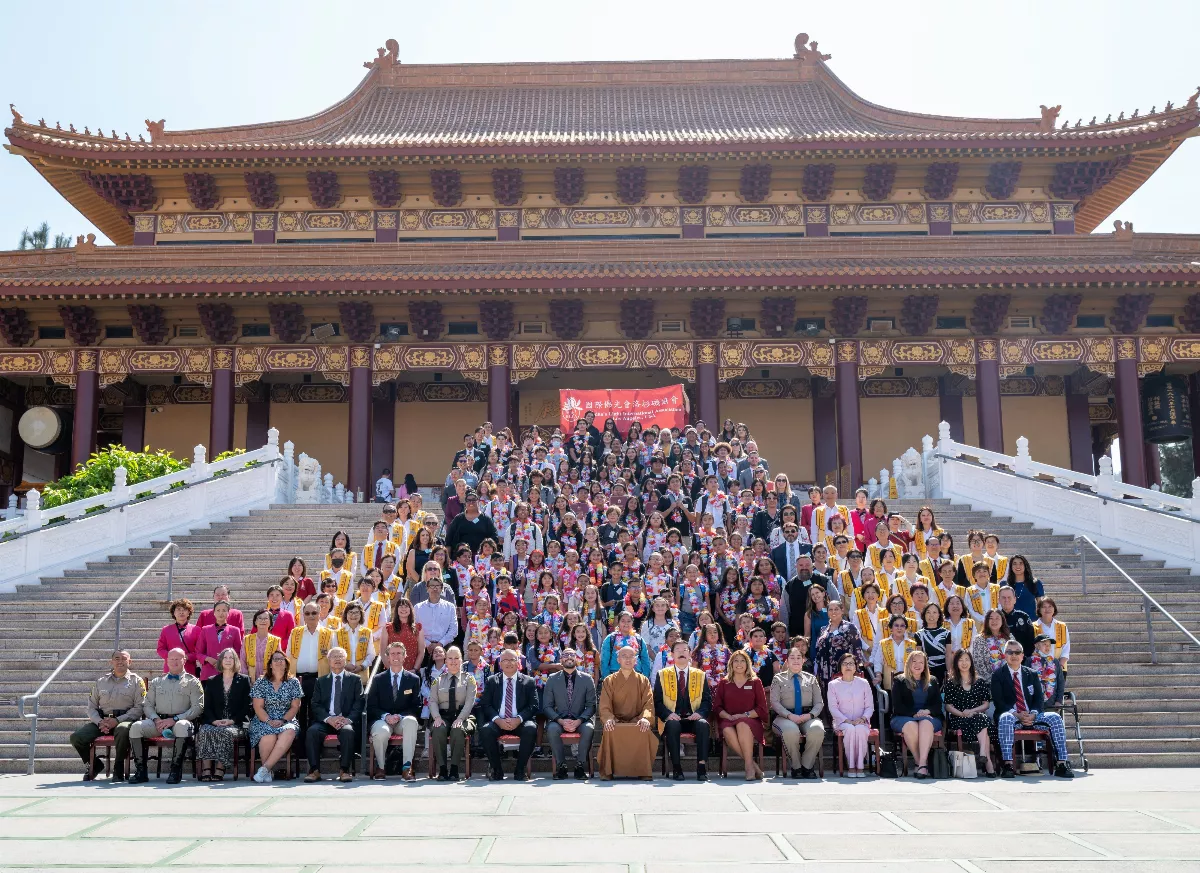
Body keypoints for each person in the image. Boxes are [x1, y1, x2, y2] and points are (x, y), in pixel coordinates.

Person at [991, 640, 1074, 778]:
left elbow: (1039, 700)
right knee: (1005, 718)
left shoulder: (1032, 674)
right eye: (1010, 652)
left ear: (1022, 655)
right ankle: (1008, 765)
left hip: (1033, 716)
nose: (1014, 655)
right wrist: (1017, 714)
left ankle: (1062, 763)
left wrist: (1034, 714)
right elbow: (999, 702)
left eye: (1017, 652)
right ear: (1004, 655)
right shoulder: (998, 675)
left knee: (1055, 718)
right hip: (1012, 716)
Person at [129, 647, 204, 784]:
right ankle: (141, 771)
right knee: (136, 727)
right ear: (167, 661)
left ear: (184, 660)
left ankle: (175, 771)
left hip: (181, 721)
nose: (174, 662)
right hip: (159, 722)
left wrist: (175, 719)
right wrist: (156, 719)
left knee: (182, 726)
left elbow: (198, 707)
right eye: (171, 659)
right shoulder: (158, 681)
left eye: (178, 659)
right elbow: (147, 704)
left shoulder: (193, 682)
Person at [69, 650, 145, 782]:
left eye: (124, 659)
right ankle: (94, 764)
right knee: (77, 737)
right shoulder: (101, 681)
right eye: (117, 658)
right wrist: (99, 722)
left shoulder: (137, 681)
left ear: (130, 662)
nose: (120, 661)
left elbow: (140, 707)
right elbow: (91, 707)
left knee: (122, 729)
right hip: (103, 721)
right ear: (111, 662)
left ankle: (118, 766)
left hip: (125, 720)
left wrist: (117, 720)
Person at [597, 645, 659, 780]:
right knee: (609, 729)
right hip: (616, 721)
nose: (628, 659)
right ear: (618, 660)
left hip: (637, 721)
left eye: (631, 656)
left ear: (636, 660)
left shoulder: (643, 680)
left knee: (643, 728)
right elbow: (604, 705)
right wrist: (608, 718)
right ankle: (608, 771)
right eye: (624, 656)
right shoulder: (609, 680)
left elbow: (648, 704)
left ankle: (643, 770)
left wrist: (645, 718)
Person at [654, 640, 712, 782]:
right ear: (672, 654)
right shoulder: (662, 674)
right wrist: (668, 714)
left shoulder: (700, 675)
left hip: (693, 718)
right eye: (678, 650)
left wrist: (699, 713)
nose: (681, 652)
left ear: (690, 654)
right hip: (673, 718)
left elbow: (707, 701)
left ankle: (701, 767)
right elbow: (657, 702)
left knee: (703, 724)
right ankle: (677, 768)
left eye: (685, 650)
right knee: (673, 725)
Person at [304, 647, 365, 782]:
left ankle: (344, 770)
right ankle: (314, 770)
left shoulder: (355, 679)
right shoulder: (321, 681)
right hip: (326, 721)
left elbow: (359, 702)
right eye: (334, 657)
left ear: (345, 660)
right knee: (312, 731)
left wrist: (348, 720)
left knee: (348, 732)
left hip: (345, 720)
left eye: (340, 656)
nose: (337, 659)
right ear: (329, 660)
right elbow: (315, 704)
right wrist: (329, 718)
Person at [479, 649, 540, 781]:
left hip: (520, 721)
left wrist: (518, 719)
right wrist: (498, 720)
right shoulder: (492, 681)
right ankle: (496, 770)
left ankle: (520, 770)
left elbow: (534, 706)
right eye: (505, 660)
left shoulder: (528, 681)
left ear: (518, 662)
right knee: (486, 730)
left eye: (512, 660)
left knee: (530, 728)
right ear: (500, 663)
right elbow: (485, 704)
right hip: (498, 722)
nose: (509, 663)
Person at [367, 642, 422, 780]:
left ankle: (407, 768)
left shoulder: (413, 679)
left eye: (399, 653)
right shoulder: (378, 679)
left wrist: (399, 716)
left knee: (411, 721)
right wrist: (386, 716)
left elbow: (416, 706)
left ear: (404, 656)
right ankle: (381, 767)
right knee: (381, 731)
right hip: (382, 719)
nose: (395, 656)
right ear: (387, 657)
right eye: (392, 653)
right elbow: (371, 706)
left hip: (402, 720)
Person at [769, 646, 826, 779]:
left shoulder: (811, 679)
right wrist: (789, 715)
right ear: (787, 661)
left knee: (817, 729)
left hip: (807, 716)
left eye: (798, 657)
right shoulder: (778, 678)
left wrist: (810, 715)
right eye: (792, 658)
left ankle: (807, 766)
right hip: (784, 717)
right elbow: (775, 702)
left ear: (803, 660)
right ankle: (796, 767)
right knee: (790, 731)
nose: (796, 660)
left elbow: (819, 703)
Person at [542, 647, 598, 780]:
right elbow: (547, 706)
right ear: (561, 659)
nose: (569, 657)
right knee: (552, 729)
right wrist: (560, 720)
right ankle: (561, 766)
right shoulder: (552, 679)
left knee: (589, 728)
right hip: (559, 720)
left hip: (581, 720)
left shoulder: (587, 679)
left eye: (572, 655)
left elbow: (591, 705)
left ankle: (580, 766)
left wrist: (579, 721)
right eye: (565, 655)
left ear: (576, 658)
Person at [197, 648, 251, 781]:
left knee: (225, 731)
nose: (228, 660)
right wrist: (213, 721)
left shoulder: (244, 680)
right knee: (204, 730)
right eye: (225, 658)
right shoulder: (212, 681)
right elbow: (207, 706)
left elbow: (247, 707)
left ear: (236, 661)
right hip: (215, 721)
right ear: (220, 661)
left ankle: (220, 768)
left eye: (231, 658)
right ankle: (206, 769)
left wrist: (232, 721)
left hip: (236, 723)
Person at [714, 649, 768, 781]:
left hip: (750, 719)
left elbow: (762, 708)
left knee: (742, 724)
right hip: (729, 719)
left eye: (742, 661)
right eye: (736, 661)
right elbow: (717, 707)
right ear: (731, 664)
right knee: (726, 730)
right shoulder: (724, 682)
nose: (739, 664)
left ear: (747, 663)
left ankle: (749, 768)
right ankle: (752, 765)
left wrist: (745, 715)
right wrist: (728, 716)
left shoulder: (755, 682)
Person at [249, 650, 303, 783]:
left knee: (290, 730)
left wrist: (283, 720)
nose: (279, 661)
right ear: (270, 664)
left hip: (286, 719)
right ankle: (267, 771)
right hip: (264, 719)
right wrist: (269, 720)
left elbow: (295, 706)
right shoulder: (261, 682)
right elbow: (258, 707)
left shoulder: (293, 682)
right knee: (268, 734)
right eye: (275, 659)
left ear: (286, 664)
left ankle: (265, 769)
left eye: (281, 659)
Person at [890, 649, 943, 779]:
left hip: (929, 717)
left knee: (925, 722)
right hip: (904, 717)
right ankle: (919, 762)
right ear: (909, 663)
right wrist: (914, 714)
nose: (917, 665)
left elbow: (938, 704)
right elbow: (898, 705)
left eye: (921, 662)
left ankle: (922, 763)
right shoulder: (899, 680)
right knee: (911, 725)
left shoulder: (933, 680)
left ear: (925, 665)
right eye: (914, 661)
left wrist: (927, 711)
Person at [943, 649, 997, 778]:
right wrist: (963, 714)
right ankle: (987, 761)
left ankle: (984, 755)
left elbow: (986, 704)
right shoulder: (951, 682)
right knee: (984, 724)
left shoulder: (980, 681)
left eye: (967, 659)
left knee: (981, 719)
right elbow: (948, 706)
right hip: (959, 719)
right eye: (961, 660)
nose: (964, 663)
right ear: (956, 663)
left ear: (971, 662)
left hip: (976, 716)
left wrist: (972, 711)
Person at [429, 645, 478, 781]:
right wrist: (437, 717)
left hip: (463, 716)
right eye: (450, 658)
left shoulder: (469, 679)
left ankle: (455, 769)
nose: (453, 661)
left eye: (456, 658)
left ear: (461, 660)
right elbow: (432, 701)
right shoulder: (438, 680)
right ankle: (443, 769)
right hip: (443, 716)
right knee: (438, 729)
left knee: (457, 730)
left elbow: (470, 702)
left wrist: (461, 718)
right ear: (446, 661)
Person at [285, 604, 335, 732]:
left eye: (314, 613)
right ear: (303, 615)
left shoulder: (329, 633)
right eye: (307, 613)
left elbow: (333, 657)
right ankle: (300, 743)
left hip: (319, 678)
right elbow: (288, 654)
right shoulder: (295, 632)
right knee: (298, 713)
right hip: (298, 679)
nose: (311, 616)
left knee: (316, 713)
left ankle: (314, 742)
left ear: (319, 614)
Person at [826, 652, 874, 777]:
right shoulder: (833, 685)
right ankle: (851, 766)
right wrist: (846, 720)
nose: (848, 666)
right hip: (842, 722)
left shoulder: (864, 683)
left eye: (851, 664)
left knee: (860, 730)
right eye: (845, 664)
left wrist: (863, 718)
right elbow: (833, 708)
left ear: (855, 667)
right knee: (850, 729)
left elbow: (870, 706)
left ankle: (860, 766)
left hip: (861, 721)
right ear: (840, 667)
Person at [812, 600, 864, 685]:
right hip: (824, 672)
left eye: (836, 609)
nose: (833, 612)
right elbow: (818, 651)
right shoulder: (823, 629)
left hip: (843, 672)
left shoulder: (850, 628)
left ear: (842, 610)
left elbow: (857, 650)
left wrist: (854, 670)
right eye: (830, 609)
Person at [196, 601, 243, 682]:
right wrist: (208, 659)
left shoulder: (235, 630)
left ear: (228, 613)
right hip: (208, 672)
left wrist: (227, 661)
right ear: (214, 613)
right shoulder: (205, 630)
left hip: (228, 673)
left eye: (224, 610)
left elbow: (238, 652)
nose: (221, 613)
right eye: (218, 610)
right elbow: (198, 652)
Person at [445, 489, 500, 556]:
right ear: (465, 503)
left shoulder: (486, 519)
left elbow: (494, 538)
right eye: (468, 500)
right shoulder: (458, 519)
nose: (471, 502)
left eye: (474, 500)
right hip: (460, 557)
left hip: (481, 558)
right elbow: (449, 539)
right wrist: (448, 557)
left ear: (478, 502)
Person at [600, 611, 652, 678]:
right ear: (618, 623)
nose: (626, 623)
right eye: (623, 621)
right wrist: (608, 679)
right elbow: (604, 661)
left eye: (628, 621)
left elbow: (645, 660)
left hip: (636, 676)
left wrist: (644, 678)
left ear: (632, 623)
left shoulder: (639, 639)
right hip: (615, 676)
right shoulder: (611, 638)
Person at [413, 572, 459, 648]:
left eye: (438, 586)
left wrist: (440, 643)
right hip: (423, 646)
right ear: (427, 589)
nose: (435, 588)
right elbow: (415, 629)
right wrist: (428, 644)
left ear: (441, 589)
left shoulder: (450, 607)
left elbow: (453, 630)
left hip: (444, 645)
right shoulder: (418, 608)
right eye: (432, 586)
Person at [156, 599, 201, 675]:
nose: (181, 612)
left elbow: (200, 651)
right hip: (170, 669)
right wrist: (173, 656)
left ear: (189, 612)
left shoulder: (196, 630)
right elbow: (160, 649)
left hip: (189, 669)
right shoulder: (166, 630)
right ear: (174, 612)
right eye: (178, 609)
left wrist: (187, 657)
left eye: (184, 609)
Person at [384, 597, 425, 672]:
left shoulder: (418, 628)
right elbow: (383, 651)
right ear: (396, 610)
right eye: (401, 606)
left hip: (412, 671)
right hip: (393, 671)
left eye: (406, 606)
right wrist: (391, 670)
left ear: (410, 609)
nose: (403, 609)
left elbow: (421, 652)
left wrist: (415, 669)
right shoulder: (388, 627)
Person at [242, 609, 282, 682]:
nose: (262, 621)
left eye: (266, 618)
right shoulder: (247, 639)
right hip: (250, 678)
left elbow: (278, 661)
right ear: (255, 621)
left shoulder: (276, 641)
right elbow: (242, 660)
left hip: (269, 678)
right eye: (260, 618)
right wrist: (245, 679)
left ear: (270, 622)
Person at [916, 602, 951, 683]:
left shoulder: (946, 633)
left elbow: (948, 655)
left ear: (939, 615)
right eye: (928, 612)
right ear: (924, 615)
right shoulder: (919, 634)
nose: (931, 615)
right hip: (926, 671)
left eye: (934, 612)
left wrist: (949, 672)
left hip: (942, 670)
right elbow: (919, 656)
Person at [999, 585, 1035, 661]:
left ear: (1014, 600)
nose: (1006, 600)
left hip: (1022, 660)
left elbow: (1031, 641)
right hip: (999, 661)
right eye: (1003, 597)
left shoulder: (1024, 617)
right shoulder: (994, 618)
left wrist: (1024, 659)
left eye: (1009, 597)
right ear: (999, 600)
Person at [1034, 597, 1070, 672]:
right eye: (1044, 607)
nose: (1047, 609)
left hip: (1060, 668)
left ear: (1054, 608)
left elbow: (1066, 648)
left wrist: (1059, 666)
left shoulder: (1062, 626)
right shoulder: (1033, 627)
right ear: (1039, 609)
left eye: (1050, 606)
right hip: (1039, 668)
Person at [1005, 554, 1044, 619]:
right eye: (1014, 564)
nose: (1018, 566)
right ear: (1011, 566)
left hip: (1031, 621)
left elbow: (1041, 605)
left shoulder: (1035, 583)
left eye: (1021, 563)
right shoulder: (1005, 584)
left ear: (1025, 565)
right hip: (1011, 621)